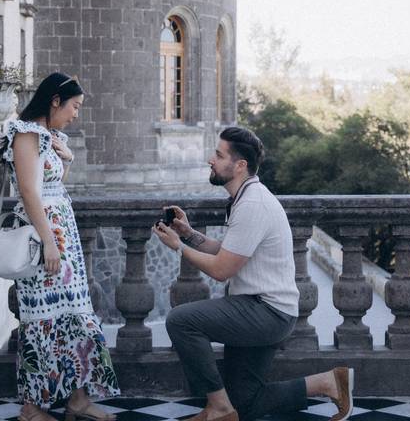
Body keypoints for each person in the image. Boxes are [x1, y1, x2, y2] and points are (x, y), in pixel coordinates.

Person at [152, 127, 354, 421]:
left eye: (219, 155)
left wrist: (178, 248)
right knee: (245, 403)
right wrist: (189, 234)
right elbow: (230, 251)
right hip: (261, 310)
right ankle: (327, 383)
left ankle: (218, 409)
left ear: (240, 165)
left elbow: (222, 270)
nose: (211, 159)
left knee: (181, 321)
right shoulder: (247, 198)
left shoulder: (252, 204)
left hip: (265, 312)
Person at [0, 72, 119, 421]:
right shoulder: (25, 134)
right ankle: (32, 408)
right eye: (75, 106)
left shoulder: (48, 136)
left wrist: (65, 159)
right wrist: (49, 242)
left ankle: (78, 399)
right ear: (55, 101)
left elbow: (50, 183)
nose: (76, 114)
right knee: (43, 319)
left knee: (73, 317)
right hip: (44, 240)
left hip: (62, 238)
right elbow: (30, 191)